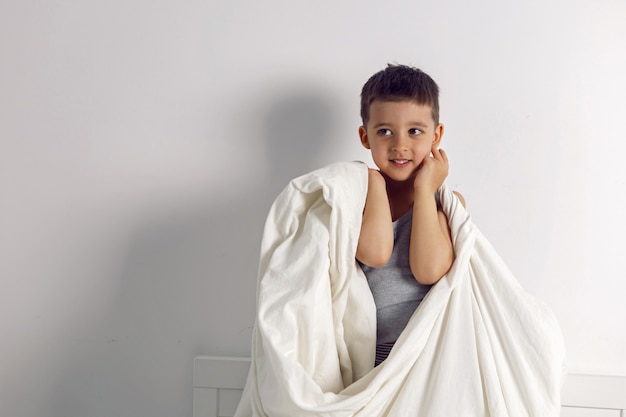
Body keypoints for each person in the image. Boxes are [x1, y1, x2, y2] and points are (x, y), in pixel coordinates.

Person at [356, 64, 465, 366]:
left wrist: (425, 189)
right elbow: (375, 254)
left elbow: (429, 271)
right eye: (385, 131)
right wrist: (375, 184)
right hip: (370, 353)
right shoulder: (356, 198)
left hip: (429, 352)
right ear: (366, 137)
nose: (400, 145)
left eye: (415, 131)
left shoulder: (447, 203)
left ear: (436, 135)